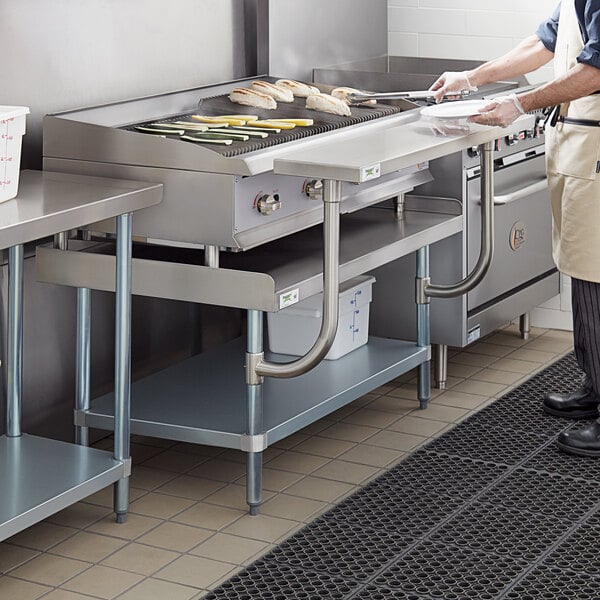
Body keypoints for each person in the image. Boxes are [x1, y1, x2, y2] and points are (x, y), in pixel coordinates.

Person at [429, 0, 600, 457]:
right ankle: (596, 386)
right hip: (579, 145)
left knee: (599, 275)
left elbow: (597, 70)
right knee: (584, 270)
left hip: (597, 147)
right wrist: (473, 77)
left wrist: (520, 103)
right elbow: (544, 43)